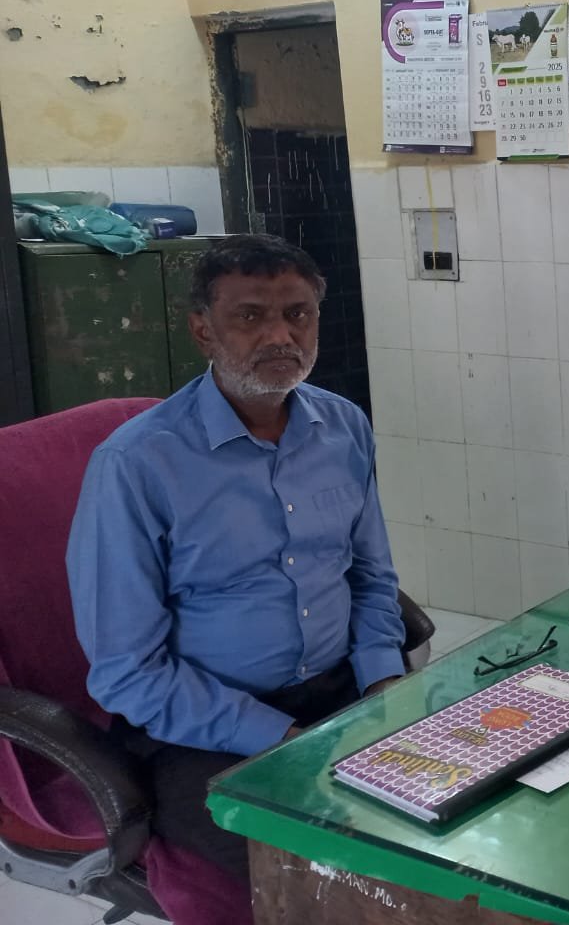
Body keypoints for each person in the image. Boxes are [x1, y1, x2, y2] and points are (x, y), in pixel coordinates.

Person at [66, 234, 406, 883]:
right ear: (204, 331)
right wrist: (279, 740)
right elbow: (127, 672)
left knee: (451, 822)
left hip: (339, 694)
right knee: (314, 874)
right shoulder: (137, 464)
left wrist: (384, 684)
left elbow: (371, 576)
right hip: (203, 730)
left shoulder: (343, 427)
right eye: (250, 316)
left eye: (297, 314)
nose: (280, 336)